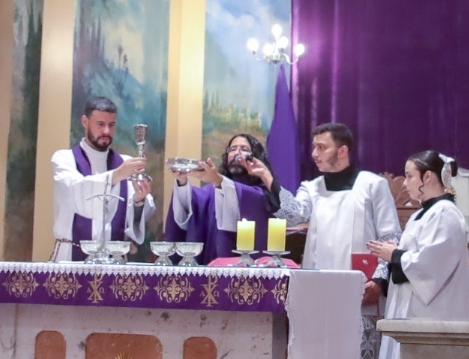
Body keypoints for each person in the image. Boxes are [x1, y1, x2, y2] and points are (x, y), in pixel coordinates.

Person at [278, 122, 401, 359]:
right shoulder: (311, 188)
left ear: (342, 150)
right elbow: (293, 214)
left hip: (359, 292)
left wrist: (379, 281)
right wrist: (269, 181)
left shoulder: (372, 185)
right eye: (314, 147)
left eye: (322, 147)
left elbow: (390, 235)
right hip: (319, 294)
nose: (314, 153)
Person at [367, 150, 469, 359]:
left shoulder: (446, 215)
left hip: (431, 318)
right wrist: (393, 258)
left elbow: (430, 266)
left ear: (428, 177)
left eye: (410, 175)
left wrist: (393, 255)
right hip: (407, 314)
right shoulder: (419, 216)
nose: (405, 183)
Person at [50, 96, 155, 261]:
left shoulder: (125, 163)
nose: (106, 131)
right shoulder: (64, 159)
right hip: (71, 258)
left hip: (114, 260)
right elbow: (76, 191)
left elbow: (134, 219)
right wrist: (116, 175)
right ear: (85, 122)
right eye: (100, 124)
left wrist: (139, 201)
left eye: (111, 125)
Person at [165, 133, 296, 265]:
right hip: (212, 265)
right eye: (232, 149)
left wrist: (218, 180)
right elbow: (191, 206)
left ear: (256, 157)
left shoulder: (263, 192)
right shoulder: (213, 189)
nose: (237, 153)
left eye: (244, 149)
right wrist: (182, 182)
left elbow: (254, 199)